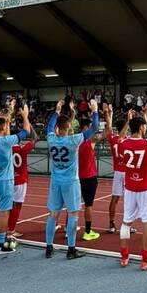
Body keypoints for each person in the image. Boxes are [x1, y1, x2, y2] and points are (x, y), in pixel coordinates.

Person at [44, 99, 99, 259]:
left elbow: (49, 127)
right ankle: (71, 248)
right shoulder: (73, 140)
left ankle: (49, 246)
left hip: (56, 181)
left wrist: (57, 111)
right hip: (71, 182)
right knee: (73, 213)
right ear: (68, 127)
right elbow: (94, 128)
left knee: (53, 214)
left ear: (57, 127)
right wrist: (95, 111)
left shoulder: (51, 138)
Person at [118, 108, 147, 270]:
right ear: (141, 128)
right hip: (145, 189)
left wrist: (128, 119)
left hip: (130, 187)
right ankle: (145, 260)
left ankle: (124, 257)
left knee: (126, 222)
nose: (146, 129)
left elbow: (120, 138)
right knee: (146, 223)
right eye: (144, 126)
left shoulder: (124, 144)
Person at [0, 105, 31, 255]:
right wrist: (25, 116)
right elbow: (26, 131)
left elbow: (0, 129)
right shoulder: (6, 141)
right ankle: (1, 245)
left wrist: (6, 120)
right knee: (4, 213)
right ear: (3, 129)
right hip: (4, 181)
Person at [78, 109, 106, 241]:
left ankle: (68, 229)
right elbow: (107, 133)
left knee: (72, 204)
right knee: (88, 205)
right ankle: (88, 231)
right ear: (86, 127)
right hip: (89, 177)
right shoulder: (90, 141)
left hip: (77, 177)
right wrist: (108, 115)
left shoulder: (74, 141)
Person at [8, 126, 37, 238]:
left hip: (9, 179)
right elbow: (35, 138)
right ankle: (11, 230)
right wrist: (30, 126)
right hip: (20, 180)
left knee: (8, 205)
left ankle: (5, 228)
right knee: (17, 206)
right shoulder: (22, 148)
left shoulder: (7, 148)